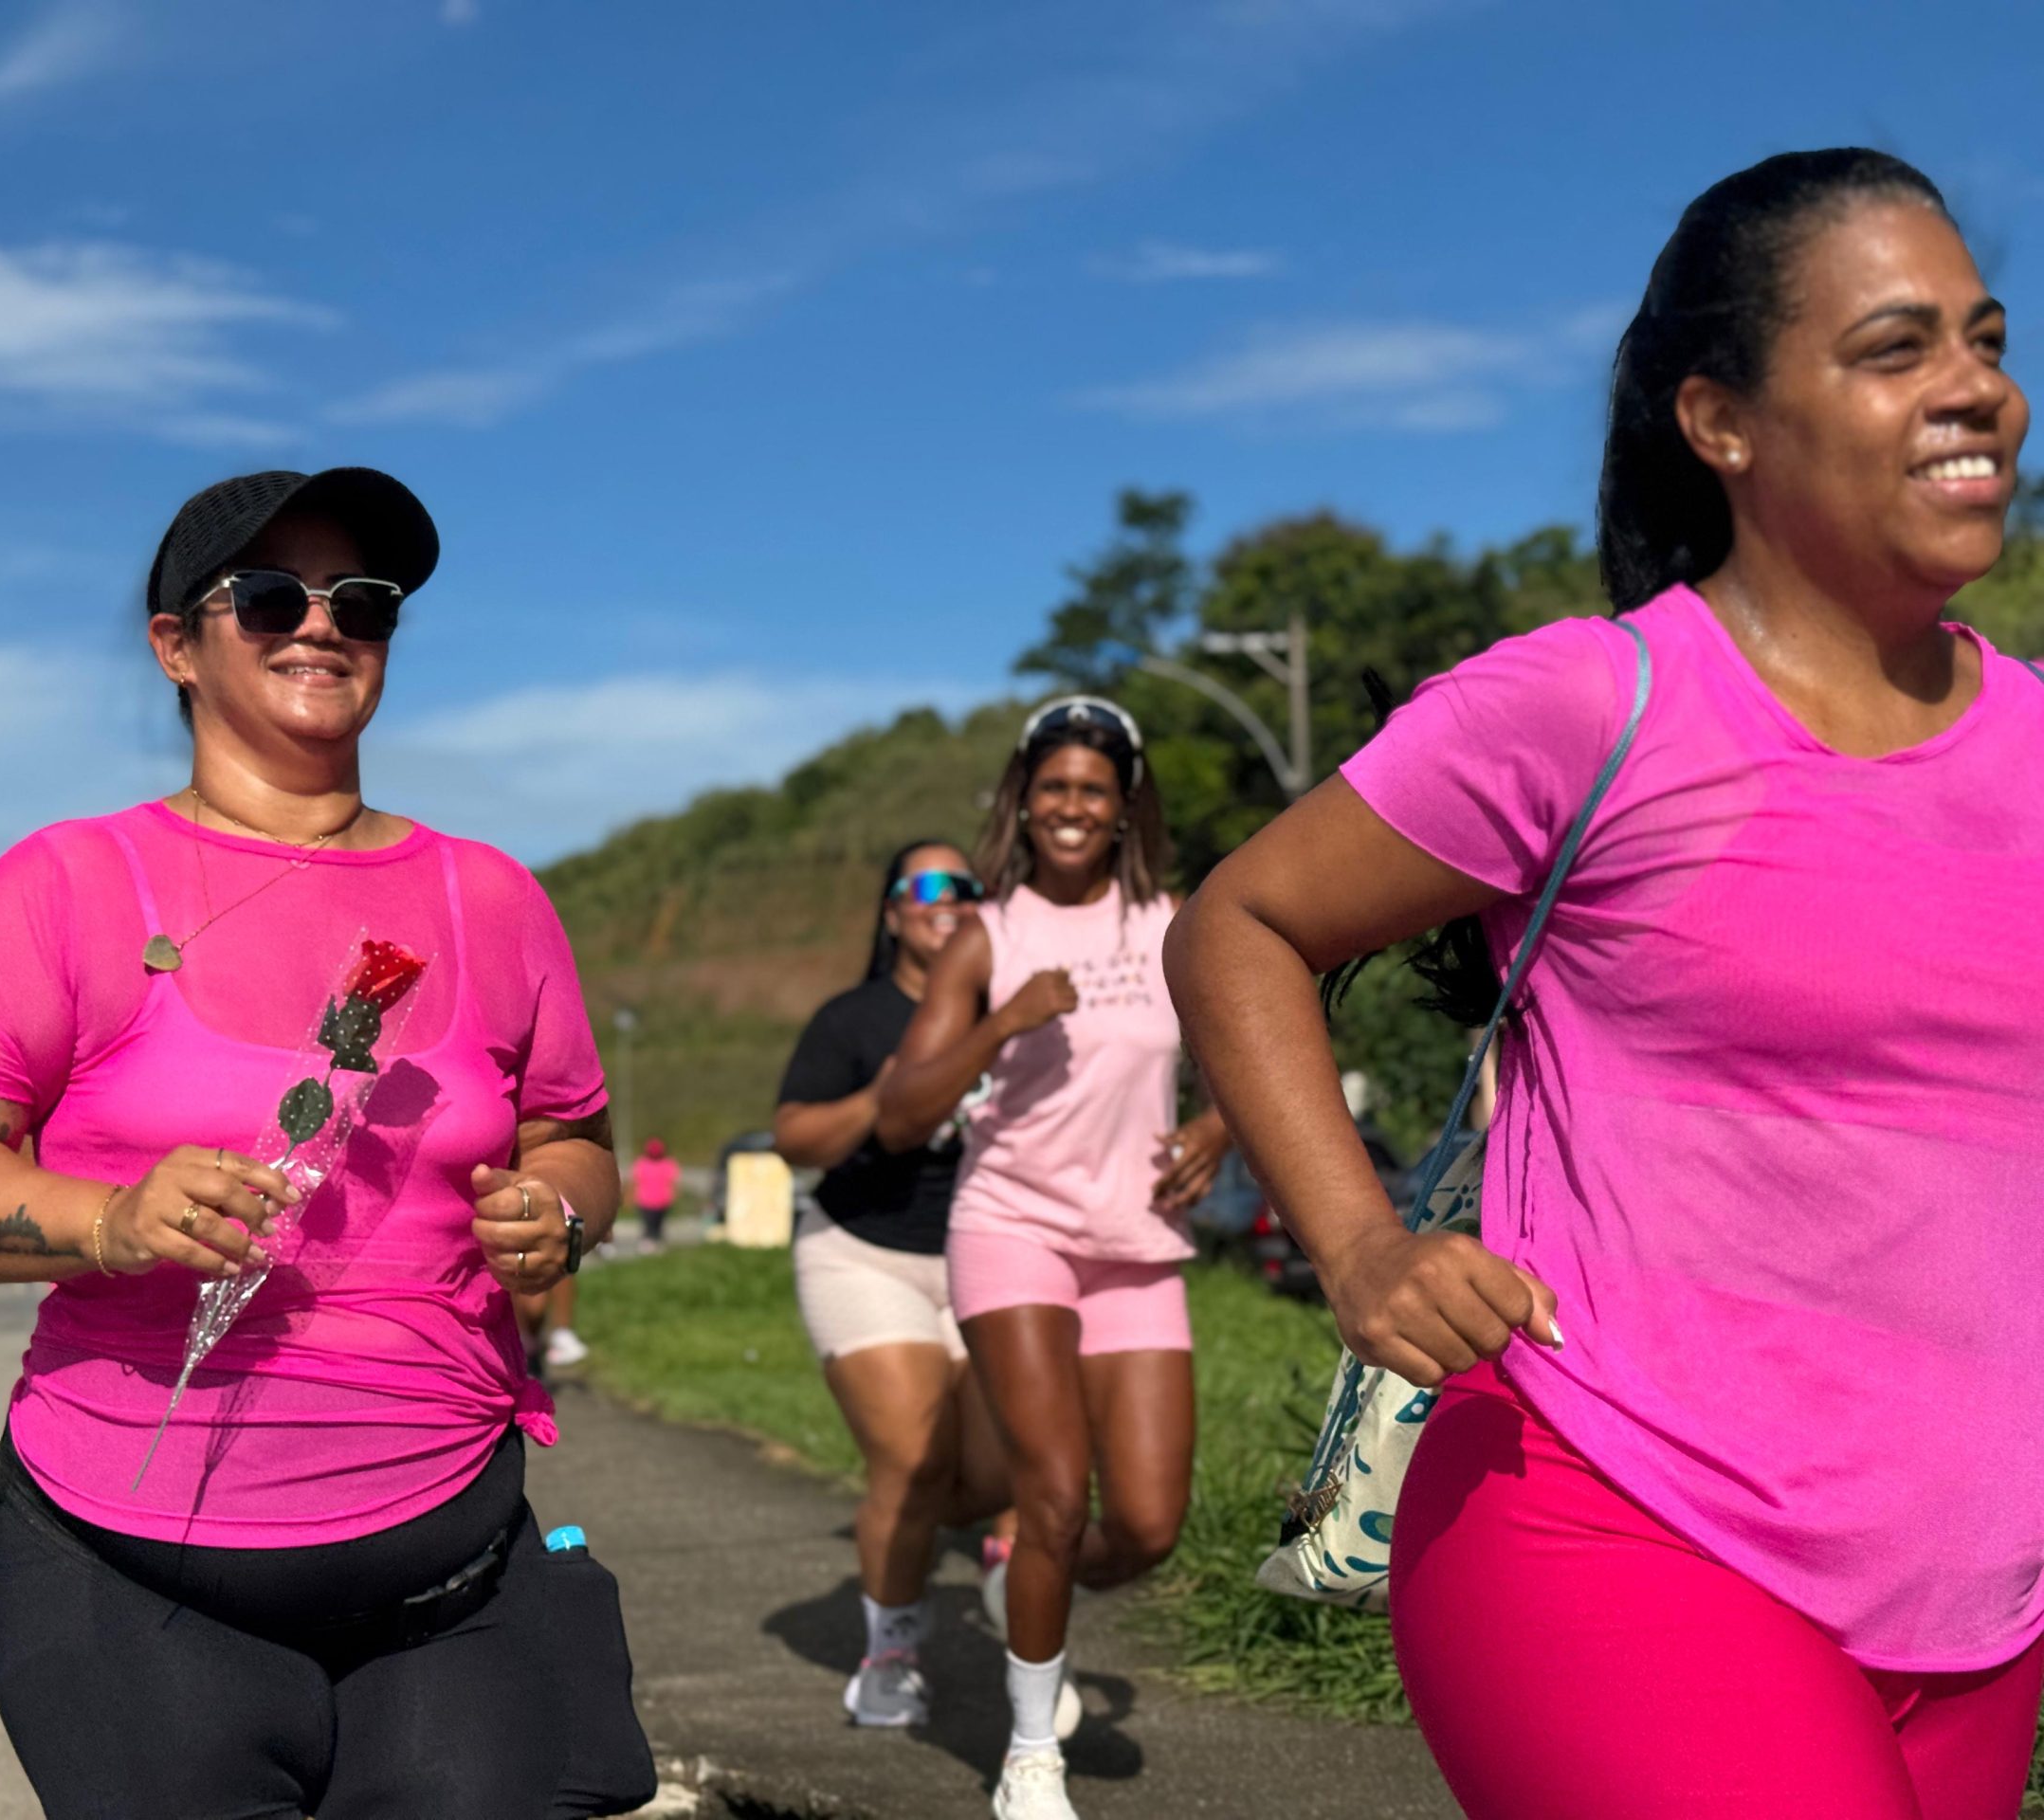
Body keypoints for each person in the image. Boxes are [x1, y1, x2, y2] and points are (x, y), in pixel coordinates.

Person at [1164, 150, 2044, 1820]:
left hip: (1981, 1602)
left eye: (1987, 342)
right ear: (1722, 422)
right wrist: (1360, 1245)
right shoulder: (1595, 707)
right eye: (1897, 348)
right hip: (1614, 1516)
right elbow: (1241, 923)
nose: (1979, 391)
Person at [0, 467, 654, 1820]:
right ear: (176, 646)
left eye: (363, 602)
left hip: (451, 1574)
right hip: (134, 1582)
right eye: (272, 597)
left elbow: (572, 1134)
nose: (322, 624)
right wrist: (108, 1221)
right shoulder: (70, 884)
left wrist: (559, 1212)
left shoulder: (491, 896)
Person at [880, 699, 1231, 1820]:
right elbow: (901, 1111)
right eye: (1053, 788)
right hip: (1014, 1227)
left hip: (1133, 1242)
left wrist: (1218, 1123)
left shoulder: (1172, 924)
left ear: (1124, 807)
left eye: (1093, 789)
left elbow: (1249, 1047)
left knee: (1147, 1526)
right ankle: (1030, 1759)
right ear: (1022, 803)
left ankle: (1011, 1585)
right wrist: (1003, 1020)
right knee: (1054, 1498)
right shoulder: (988, 936)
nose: (1071, 807)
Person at [774, 840, 1014, 1729]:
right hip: (864, 1252)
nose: (948, 899)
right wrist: (884, 1098)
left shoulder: (1012, 1011)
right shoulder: (853, 1019)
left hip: (990, 1255)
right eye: (928, 885)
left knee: (1009, 1466)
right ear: (892, 912)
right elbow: (795, 1140)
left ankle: (1022, 1622)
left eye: (967, 886)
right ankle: (891, 1654)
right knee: (913, 1465)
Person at [630, 1137, 679, 1250]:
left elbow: (673, 1182)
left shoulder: (667, 1163)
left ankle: (656, 1242)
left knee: (658, 1224)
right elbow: (635, 1181)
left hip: (661, 1200)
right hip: (646, 1201)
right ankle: (648, 1242)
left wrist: (674, 1195)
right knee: (649, 1224)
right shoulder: (642, 1163)